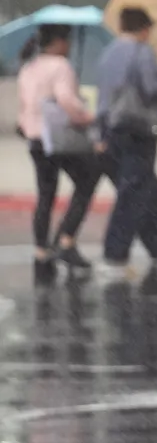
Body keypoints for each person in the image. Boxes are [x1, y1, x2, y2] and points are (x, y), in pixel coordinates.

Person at [96, 7, 157, 278]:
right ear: (144, 28)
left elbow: (103, 98)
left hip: (112, 130)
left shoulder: (108, 54)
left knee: (148, 190)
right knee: (134, 192)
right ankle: (114, 255)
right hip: (139, 131)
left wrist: (100, 134)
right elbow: (151, 90)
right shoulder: (143, 53)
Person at [16, 24, 101, 282]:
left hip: (35, 139)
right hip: (59, 139)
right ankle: (65, 239)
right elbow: (66, 100)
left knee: (45, 193)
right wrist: (87, 115)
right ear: (60, 42)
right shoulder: (60, 66)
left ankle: (42, 249)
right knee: (87, 179)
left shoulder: (28, 68)